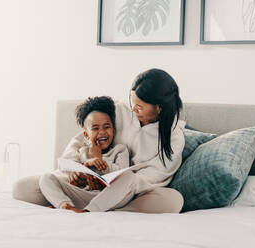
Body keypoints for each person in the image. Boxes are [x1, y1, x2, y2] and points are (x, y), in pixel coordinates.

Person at [13, 68, 185, 213]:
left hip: (128, 192)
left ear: (159, 107)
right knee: (22, 188)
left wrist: (111, 181)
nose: (133, 109)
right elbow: (81, 140)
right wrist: (75, 171)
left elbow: (153, 177)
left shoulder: (174, 137)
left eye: (139, 106)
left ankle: (96, 210)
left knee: (174, 200)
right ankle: (73, 206)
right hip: (87, 186)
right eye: (132, 102)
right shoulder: (119, 111)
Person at [39, 96, 133, 213]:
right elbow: (73, 173)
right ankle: (66, 206)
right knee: (46, 178)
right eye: (95, 128)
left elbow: (121, 173)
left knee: (129, 176)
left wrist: (97, 159)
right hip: (82, 195)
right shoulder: (82, 151)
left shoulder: (120, 150)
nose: (102, 132)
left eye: (106, 127)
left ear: (113, 131)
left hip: (108, 198)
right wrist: (76, 177)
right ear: (87, 135)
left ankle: (88, 211)